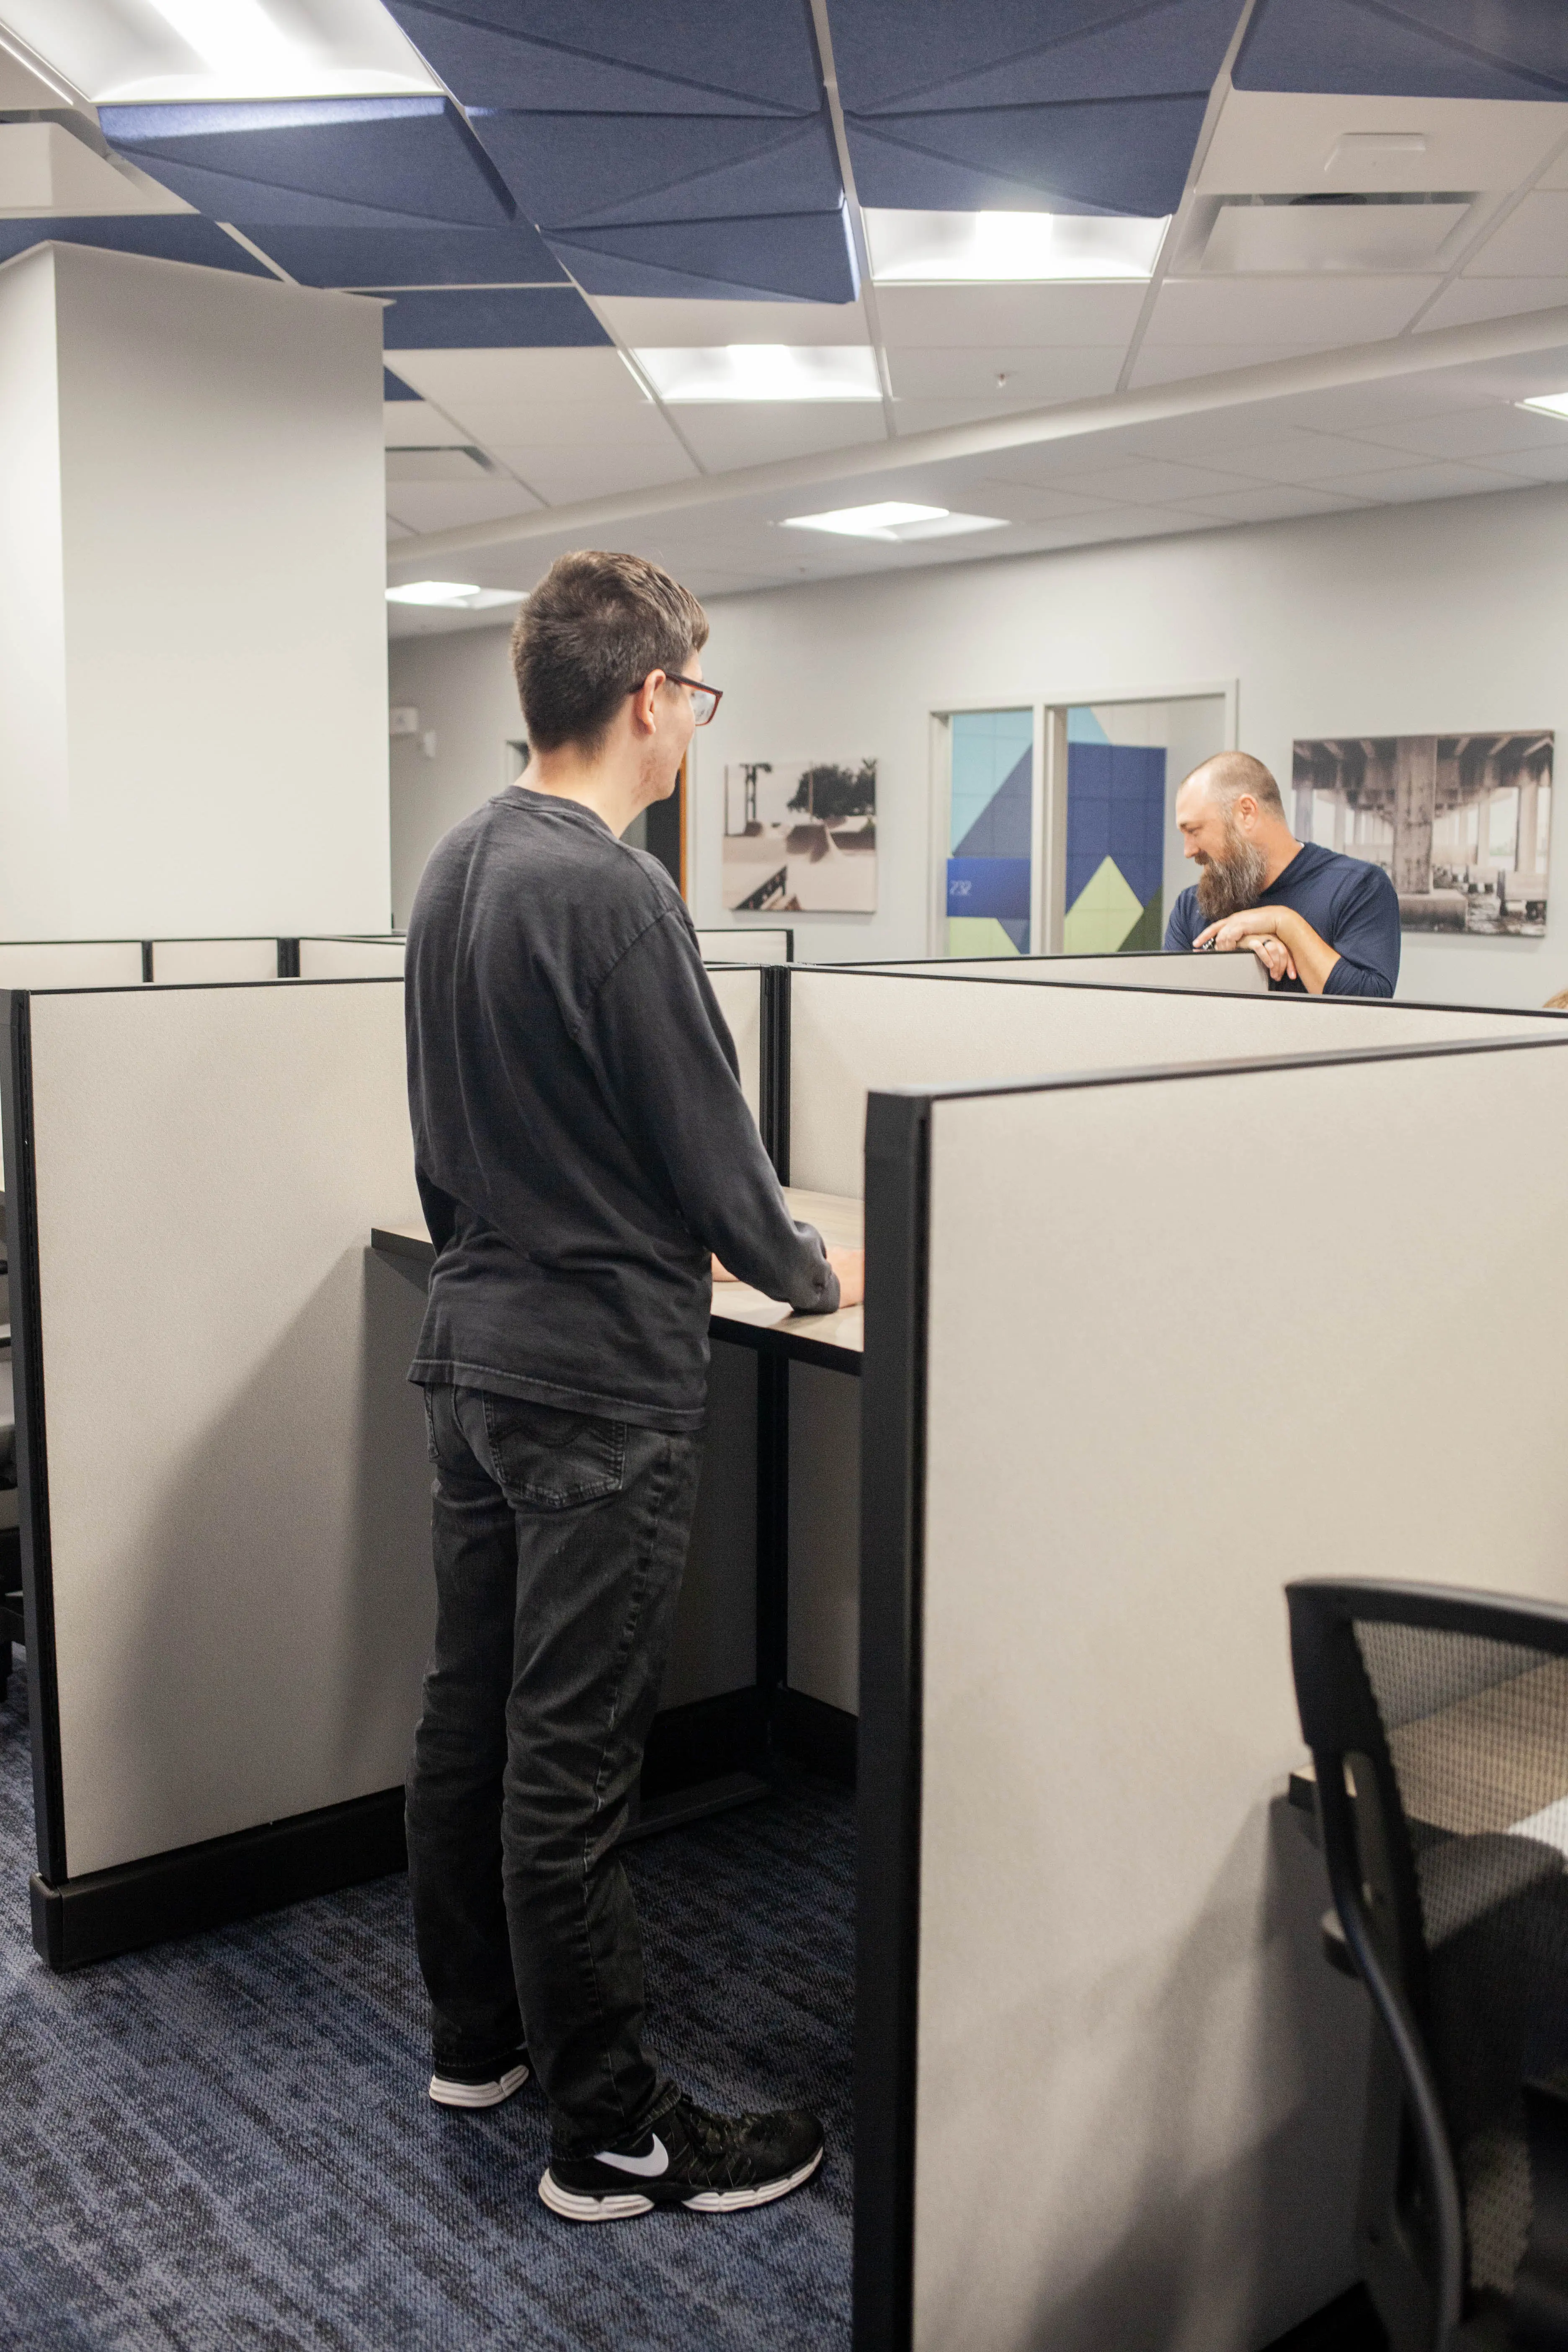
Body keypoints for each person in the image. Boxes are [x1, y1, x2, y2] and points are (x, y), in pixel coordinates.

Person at [402, 548, 864, 2225]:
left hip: (471, 1354)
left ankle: (479, 2038)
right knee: (573, 1760)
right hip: (597, 1382)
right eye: (697, 696)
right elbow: (713, 1163)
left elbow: (453, 1144)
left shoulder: (457, 865)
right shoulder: (617, 892)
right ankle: (612, 2138)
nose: (692, 728)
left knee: (475, 1719)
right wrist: (816, 1268)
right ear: (652, 698)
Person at [1163, 751, 1400, 996]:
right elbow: (1168, 1005)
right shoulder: (1192, 905)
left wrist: (1284, 923)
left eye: (1194, 831)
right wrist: (1236, 953)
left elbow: (1370, 1006)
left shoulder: (1358, 887)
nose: (1188, 851)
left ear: (1246, 812)